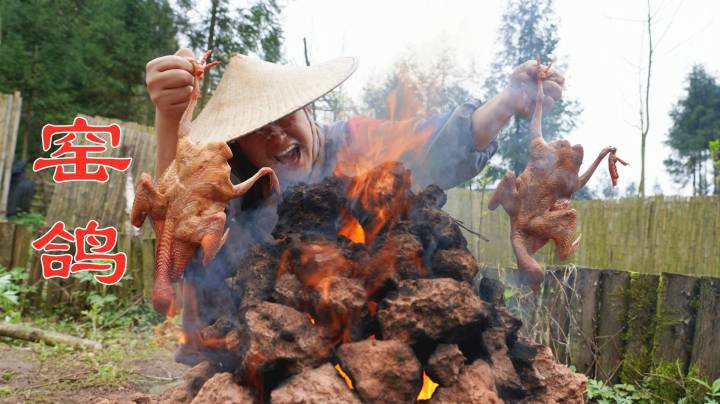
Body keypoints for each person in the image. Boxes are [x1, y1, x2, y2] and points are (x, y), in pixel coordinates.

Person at [144, 48, 564, 325]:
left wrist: (508, 101)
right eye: (256, 130)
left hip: (367, 328)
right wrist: (169, 118)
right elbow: (176, 219)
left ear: (308, 109)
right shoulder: (234, 184)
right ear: (238, 145)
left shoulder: (354, 142)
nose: (274, 136)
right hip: (261, 347)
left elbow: (437, 143)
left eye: (285, 116)